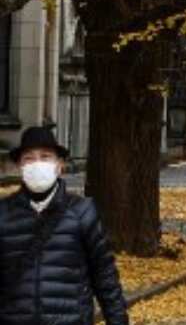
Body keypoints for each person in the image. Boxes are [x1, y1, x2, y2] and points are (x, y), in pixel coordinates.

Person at [0, 126, 128, 325]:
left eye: (45, 157)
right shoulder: (3, 213)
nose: (37, 164)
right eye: (29, 158)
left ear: (59, 165)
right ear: (20, 166)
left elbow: (105, 277)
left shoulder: (82, 212)